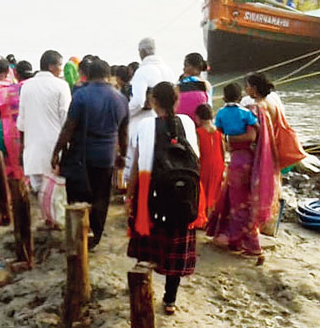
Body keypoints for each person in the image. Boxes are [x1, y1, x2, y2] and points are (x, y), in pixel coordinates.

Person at [126, 81, 199, 314]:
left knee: (146, 245)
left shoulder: (145, 126)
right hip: (184, 192)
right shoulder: (187, 123)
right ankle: (170, 300)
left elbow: (137, 164)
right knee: (176, 245)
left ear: (153, 101)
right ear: (176, 100)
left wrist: (129, 195)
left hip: (150, 191)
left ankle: (141, 288)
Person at [51, 58, 129, 250]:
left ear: (89, 75)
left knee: (78, 197)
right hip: (106, 156)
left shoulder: (81, 96)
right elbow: (123, 134)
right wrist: (122, 155)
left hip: (81, 157)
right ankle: (95, 237)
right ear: (108, 75)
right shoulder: (121, 99)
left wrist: (57, 151)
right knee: (101, 198)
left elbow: (69, 128)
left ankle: (79, 235)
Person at [206, 74, 279, 261]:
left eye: (247, 86)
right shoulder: (271, 105)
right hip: (256, 159)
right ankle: (240, 238)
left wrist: (228, 139)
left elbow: (250, 136)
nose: (246, 90)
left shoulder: (254, 108)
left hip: (242, 160)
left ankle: (248, 243)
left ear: (253, 88)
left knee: (240, 202)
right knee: (247, 199)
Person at [18, 50, 72, 207]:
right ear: (51, 66)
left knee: (39, 194)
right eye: (60, 65)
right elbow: (66, 119)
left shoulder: (26, 86)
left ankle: (44, 217)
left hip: (32, 149)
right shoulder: (61, 86)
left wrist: (22, 149)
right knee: (56, 196)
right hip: (54, 149)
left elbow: (22, 122)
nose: (61, 70)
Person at [124, 38, 177, 183]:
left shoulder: (143, 71)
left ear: (142, 52)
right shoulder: (168, 70)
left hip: (144, 120)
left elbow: (138, 102)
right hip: (166, 121)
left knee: (138, 161)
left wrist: (124, 114)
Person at [0, 61, 33, 180]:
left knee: (14, 165)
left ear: (15, 73)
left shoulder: (6, 92)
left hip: (11, 133)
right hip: (33, 131)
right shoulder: (37, 89)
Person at [190, 103, 224, 230]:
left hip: (204, 164)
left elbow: (197, 152)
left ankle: (203, 220)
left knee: (203, 191)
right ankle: (212, 220)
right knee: (214, 192)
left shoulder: (198, 132)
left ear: (198, 118)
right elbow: (223, 150)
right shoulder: (218, 132)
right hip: (218, 164)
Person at [175, 52, 212, 121]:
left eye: (186, 66)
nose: (183, 69)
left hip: (184, 120)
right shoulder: (206, 84)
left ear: (195, 68)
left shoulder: (181, 83)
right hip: (202, 120)